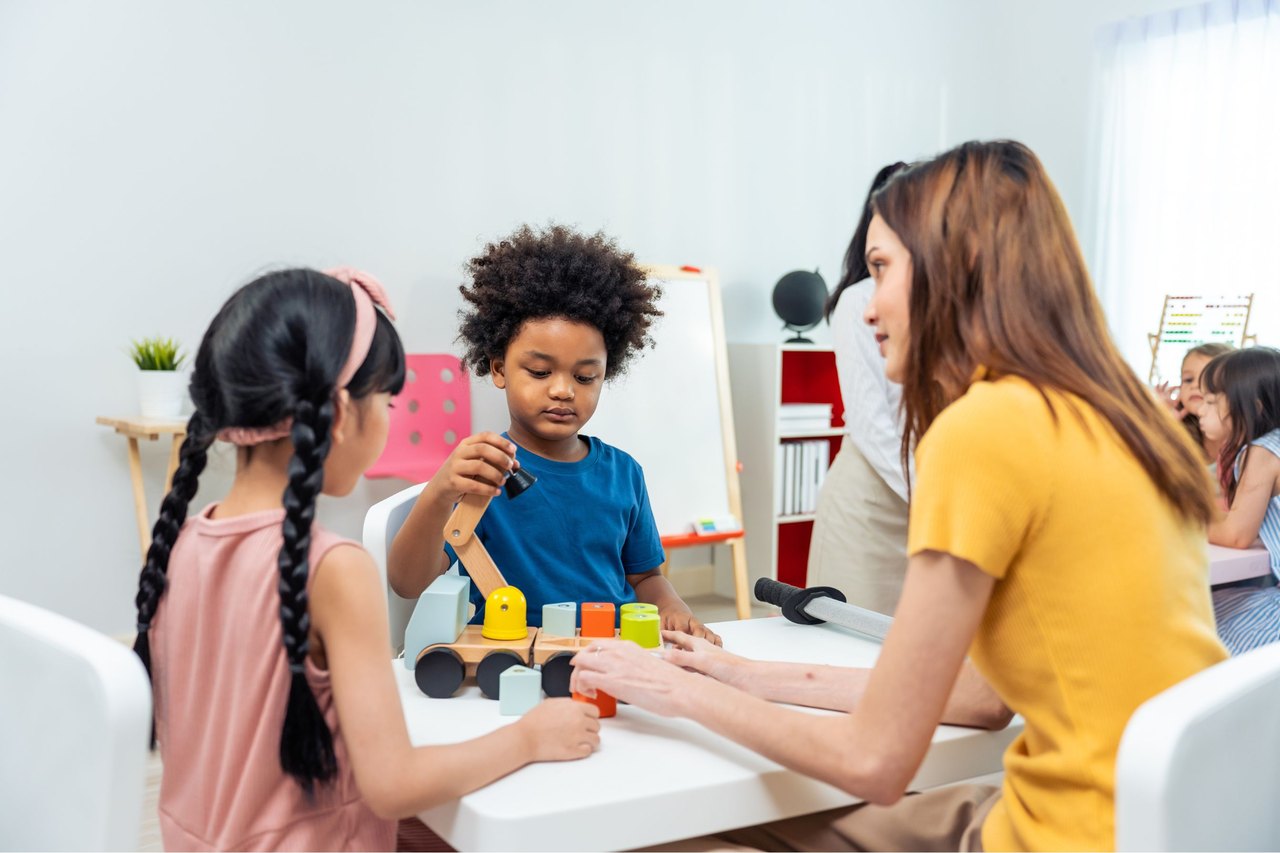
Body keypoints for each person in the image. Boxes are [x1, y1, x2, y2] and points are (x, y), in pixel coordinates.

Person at [571, 141, 1227, 852]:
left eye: (880, 269)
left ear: (960, 262)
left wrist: (680, 692)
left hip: (1068, 836)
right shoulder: (1126, 415)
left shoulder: (986, 426)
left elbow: (874, 762)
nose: (864, 307)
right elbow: (979, 698)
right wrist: (742, 673)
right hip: (1173, 819)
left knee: (650, 836)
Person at [130, 268, 599, 851]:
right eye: (386, 399)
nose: (388, 416)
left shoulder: (183, 542)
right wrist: (530, 737)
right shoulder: (333, 568)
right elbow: (392, 786)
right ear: (342, 412)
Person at [388, 225, 720, 644]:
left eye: (585, 376)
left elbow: (646, 576)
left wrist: (673, 608)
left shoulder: (624, 474)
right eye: (540, 372)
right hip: (510, 652)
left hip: (610, 653)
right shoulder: (481, 473)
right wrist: (438, 493)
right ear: (498, 369)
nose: (563, 390)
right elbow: (407, 582)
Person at [808, 162, 910, 615]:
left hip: (930, 495)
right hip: (870, 501)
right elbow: (872, 424)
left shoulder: (950, 303)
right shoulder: (859, 301)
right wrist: (930, 496)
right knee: (849, 643)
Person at [1200, 346, 1280, 654]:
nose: (1200, 410)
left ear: (1254, 407)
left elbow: (1236, 535)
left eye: (1210, 402)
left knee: (1203, 628)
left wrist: (1184, 521)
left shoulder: (1263, 452)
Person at [1155, 342, 1234, 463]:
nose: (1195, 385)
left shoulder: (1246, 440)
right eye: (1188, 379)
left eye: (1207, 378)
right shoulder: (1179, 430)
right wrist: (1165, 421)